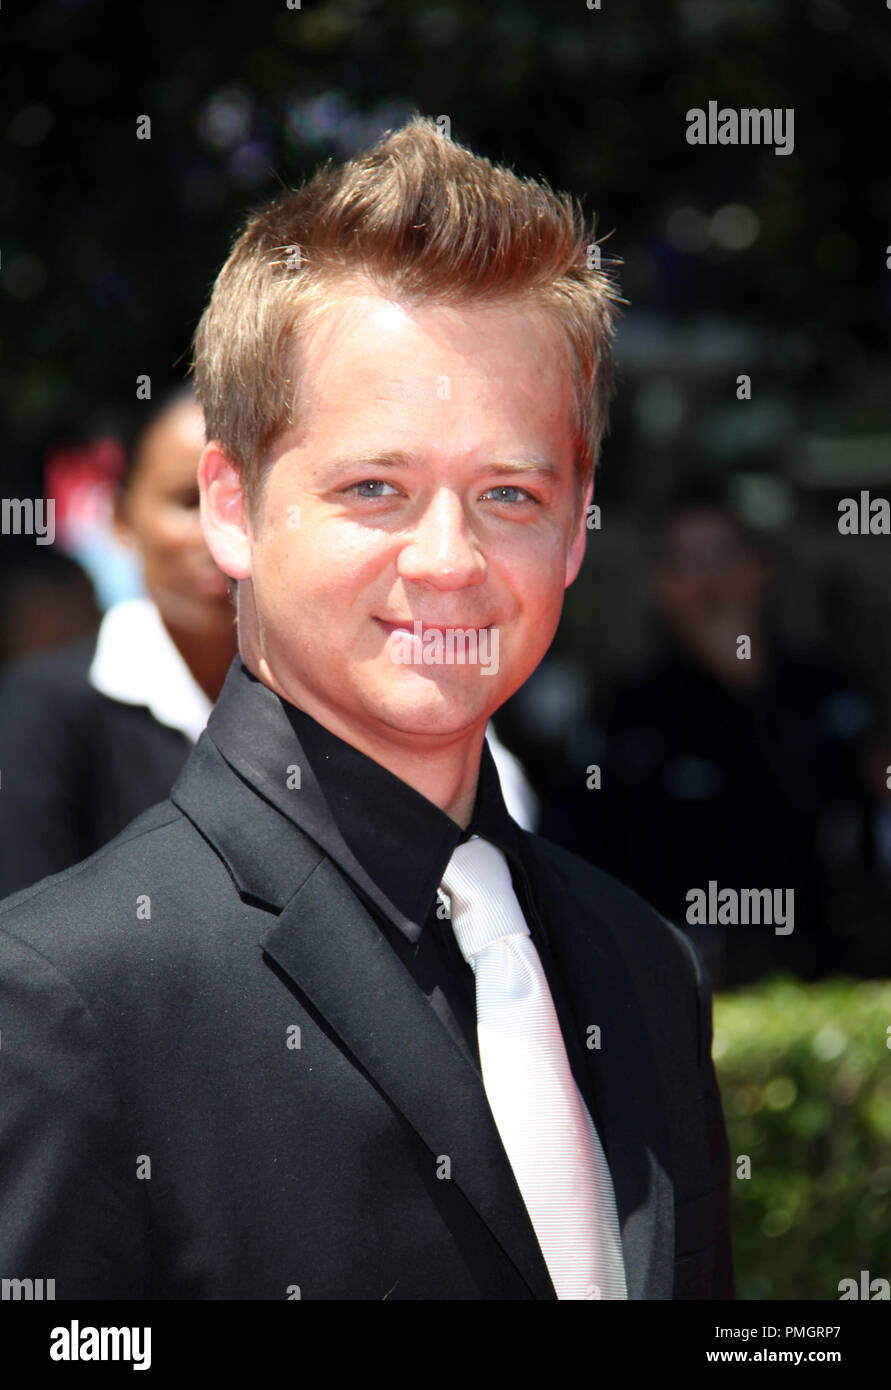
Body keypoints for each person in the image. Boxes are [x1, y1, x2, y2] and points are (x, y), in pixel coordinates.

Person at [0, 117, 733, 1300]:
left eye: (508, 490)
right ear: (232, 506)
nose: (448, 558)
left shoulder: (644, 969)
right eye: (376, 486)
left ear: (577, 524)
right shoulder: (62, 1003)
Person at [585, 486, 880, 989]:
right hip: (672, 984)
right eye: (688, 562)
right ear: (662, 585)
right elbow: (587, 860)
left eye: (722, 555)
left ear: (759, 567)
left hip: (821, 982)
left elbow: (841, 829)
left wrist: (750, 687)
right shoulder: (627, 712)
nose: (709, 580)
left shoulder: (825, 689)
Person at [0, 387, 238, 898]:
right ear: (122, 519)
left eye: (244, 501)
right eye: (187, 501)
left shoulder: (327, 699)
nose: (218, 533)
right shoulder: (41, 709)